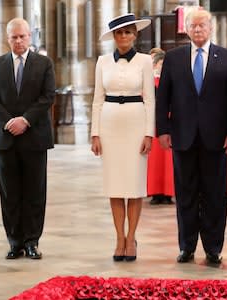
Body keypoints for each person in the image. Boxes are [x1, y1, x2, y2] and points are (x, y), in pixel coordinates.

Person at [156, 9, 227, 265]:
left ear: (211, 27)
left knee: (215, 194)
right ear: (187, 29)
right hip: (183, 136)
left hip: (216, 138)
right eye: (192, 26)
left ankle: (214, 247)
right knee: (186, 194)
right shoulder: (173, 58)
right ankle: (187, 246)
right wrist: (163, 129)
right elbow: (164, 99)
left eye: (202, 25)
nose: (197, 30)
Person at [0, 18, 56, 260]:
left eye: (22, 36)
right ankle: (15, 241)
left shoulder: (44, 64)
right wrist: (9, 122)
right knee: (9, 193)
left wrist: (25, 120)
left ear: (30, 36)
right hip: (5, 138)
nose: (18, 41)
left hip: (34, 136)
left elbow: (47, 97)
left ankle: (32, 241)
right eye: (14, 37)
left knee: (35, 192)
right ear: (7, 39)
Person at [90, 13, 155, 262]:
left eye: (128, 32)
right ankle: (119, 237)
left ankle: (132, 238)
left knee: (135, 185)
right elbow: (97, 99)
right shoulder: (103, 61)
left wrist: (149, 133)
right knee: (115, 186)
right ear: (114, 37)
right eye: (119, 33)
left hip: (136, 123)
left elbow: (150, 99)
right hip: (109, 124)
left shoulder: (145, 62)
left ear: (135, 35)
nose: (124, 36)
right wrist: (95, 133)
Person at [147, 51, 175, 205]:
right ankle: (155, 193)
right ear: (154, 65)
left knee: (168, 162)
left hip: (170, 124)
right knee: (154, 162)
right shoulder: (149, 82)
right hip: (153, 125)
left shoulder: (173, 81)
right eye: (161, 64)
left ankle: (168, 193)